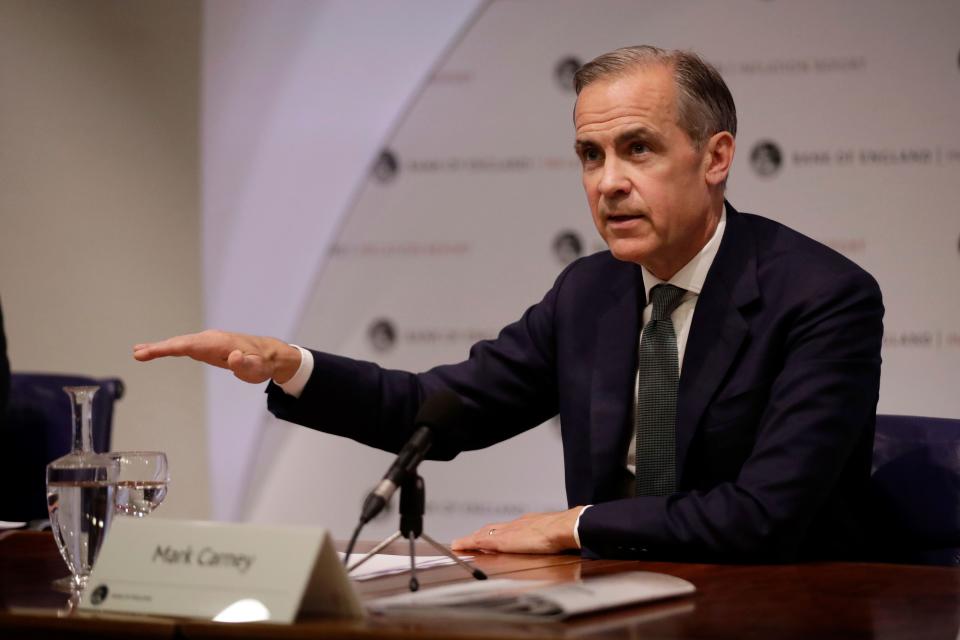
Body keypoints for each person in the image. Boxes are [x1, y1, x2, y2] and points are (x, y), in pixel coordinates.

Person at [134, 46, 883, 562]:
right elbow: (436, 409)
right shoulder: (589, 293)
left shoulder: (822, 298)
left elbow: (763, 517)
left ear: (715, 157)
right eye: (591, 156)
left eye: (638, 149)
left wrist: (573, 526)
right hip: (613, 608)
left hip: (773, 613)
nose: (608, 182)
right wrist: (288, 364)